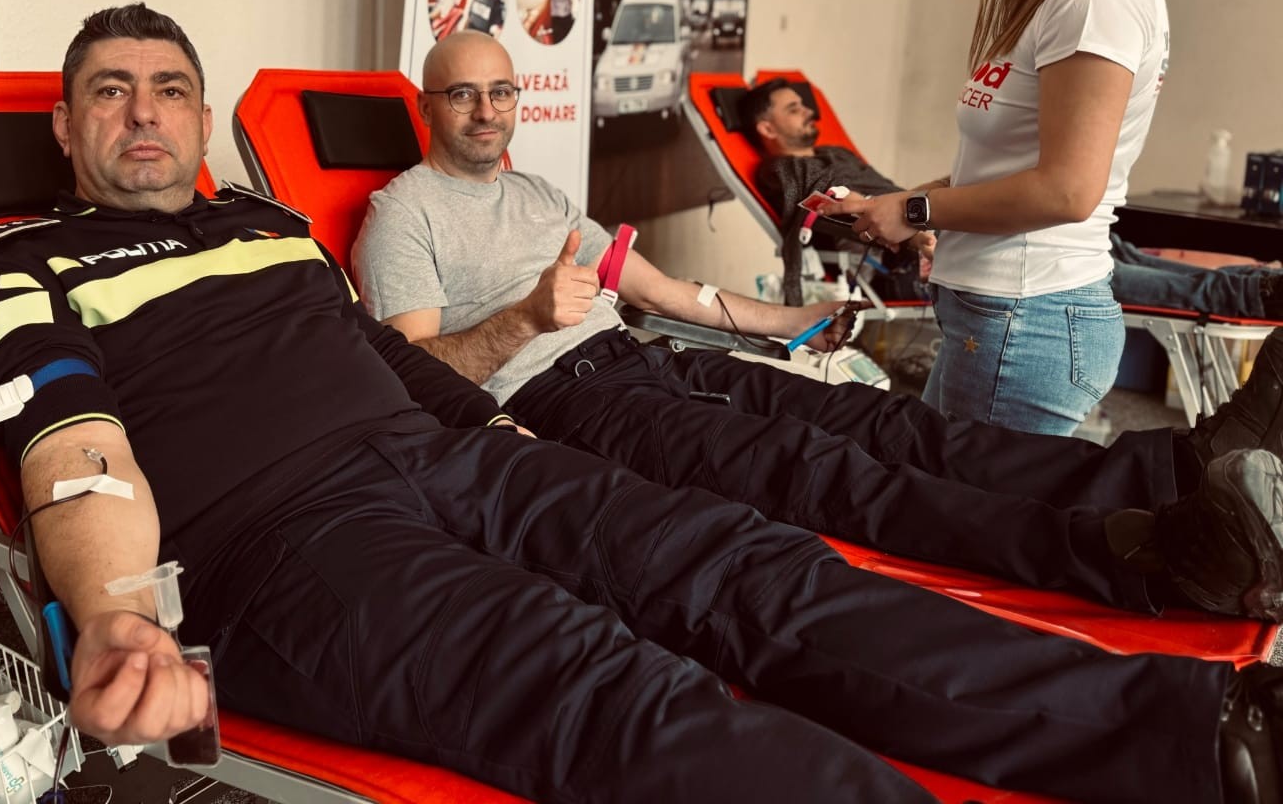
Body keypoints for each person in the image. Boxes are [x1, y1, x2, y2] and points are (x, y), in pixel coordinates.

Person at [0, 4, 1283, 804]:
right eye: (109, 93)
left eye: (169, 89)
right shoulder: (12, 263)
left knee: (756, 570)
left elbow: (377, 355)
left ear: (198, 119)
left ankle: (1197, 739)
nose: (144, 114)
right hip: (289, 540)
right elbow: (73, 449)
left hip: (459, 458)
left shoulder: (268, 225)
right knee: (597, 686)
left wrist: (499, 437)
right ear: (65, 129)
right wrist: (114, 610)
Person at [354, 30, 1283, 619]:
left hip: (650, 357)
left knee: (889, 425)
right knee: (827, 472)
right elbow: (416, 377)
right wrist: (525, 318)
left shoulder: (542, 194)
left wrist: (791, 320)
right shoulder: (404, 214)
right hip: (567, 406)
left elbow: (669, 292)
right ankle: (1145, 562)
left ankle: (1170, 470)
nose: (487, 111)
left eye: (502, 91)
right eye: (462, 95)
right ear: (428, 106)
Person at [820, 0, 1171, 436]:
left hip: (1026, 317)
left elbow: (1066, 191)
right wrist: (898, 204)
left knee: (957, 502)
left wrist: (915, 211)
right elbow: (1007, 168)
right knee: (936, 488)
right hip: (1001, 316)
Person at [747, 76, 1283, 318]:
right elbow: (834, 216)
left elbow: (897, 195)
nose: (808, 112)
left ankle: (1251, 283)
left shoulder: (835, 150)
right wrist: (917, 233)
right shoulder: (784, 172)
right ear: (767, 128)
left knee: (1118, 252)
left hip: (939, 215)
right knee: (1106, 274)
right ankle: (1251, 294)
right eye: (794, 109)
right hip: (922, 248)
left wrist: (948, 192)